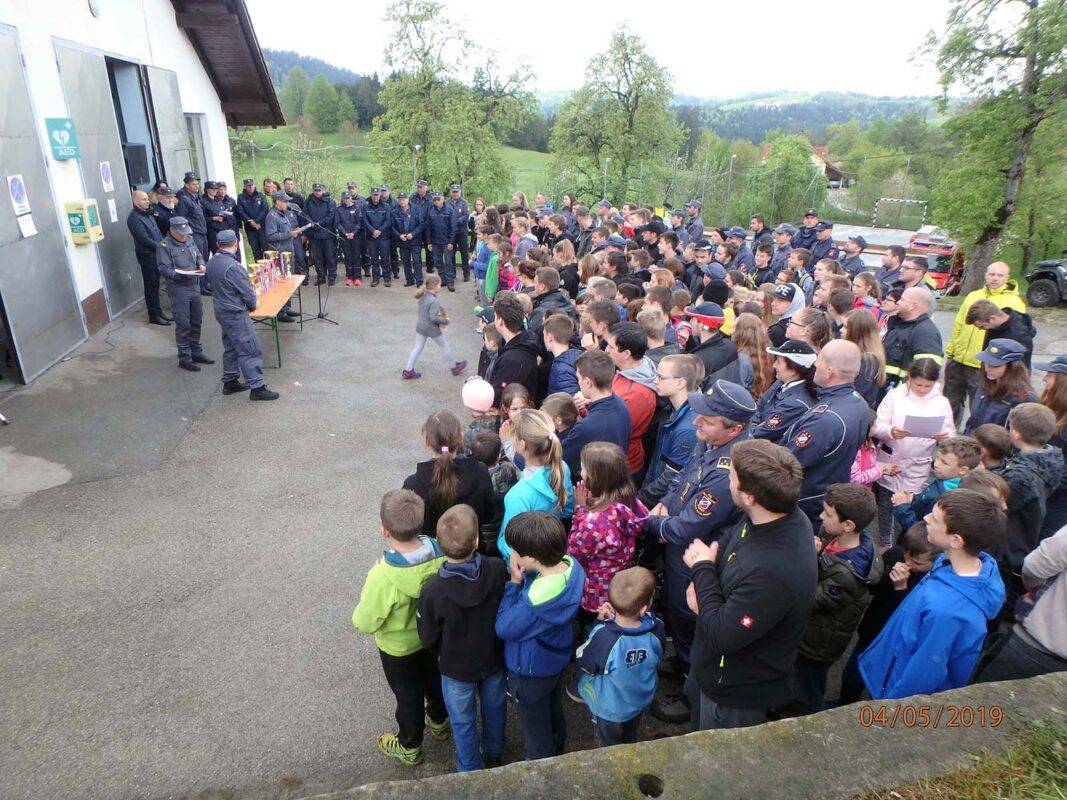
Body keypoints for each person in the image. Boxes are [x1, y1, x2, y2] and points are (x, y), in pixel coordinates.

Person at [683, 438, 817, 730]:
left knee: (713, 759)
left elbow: (722, 634)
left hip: (733, 691)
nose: (727, 481)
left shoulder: (773, 573)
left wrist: (702, 570)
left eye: (731, 477)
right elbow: (734, 536)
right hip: (711, 667)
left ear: (749, 497)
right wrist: (708, 582)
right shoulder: (777, 516)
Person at [645, 381, 757, 722]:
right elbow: (682, 482)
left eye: (707, 420)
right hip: (682, 544)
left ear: (734, 429)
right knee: (677, 615)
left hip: (696, 554)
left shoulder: (728, 471)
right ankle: (680, 659)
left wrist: (650, 521)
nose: (696, 423)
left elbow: (687, 527)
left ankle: (688, 689)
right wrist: (664, 504)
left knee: (690, 619)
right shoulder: (708, 441)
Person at [858, 489, 1006, 700]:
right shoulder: (956, 562)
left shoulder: (946, 612)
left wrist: (891, 709)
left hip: (895, 693)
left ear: (955, 540)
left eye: (935, 519)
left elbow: (922, 674)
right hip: (892, 664)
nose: (925, 518)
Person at [352, 489, 448, 766]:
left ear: (384, 530)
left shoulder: (381, 576)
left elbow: (364, 621)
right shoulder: (441, 552)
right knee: (434, 681)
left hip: (397, 649)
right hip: (430, 639)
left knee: (408, 697)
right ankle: (440, 722)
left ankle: (409, 745)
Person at [416, 504, 508, 772]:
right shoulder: (496, 569)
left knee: (462, 721)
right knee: (495, 709)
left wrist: (443, 652)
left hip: (455, 667)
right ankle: (494, 754)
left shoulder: (433, 590)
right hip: (492, 658)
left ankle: (468, 768)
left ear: (440, 547)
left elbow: (428, 636)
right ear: (477, 542)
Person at [495, 511, 584, 760]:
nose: (512, 555)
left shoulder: (535, 602)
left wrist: (514, 582)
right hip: (554, 661)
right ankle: (558, 749)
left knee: (535, 729)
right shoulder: (570, 566)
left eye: (515, 551)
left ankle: (541, 766)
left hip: (530, 672)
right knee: (554, 709)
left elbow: (503, 627)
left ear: (531, 558)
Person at [787, 483, 881, 716]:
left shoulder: (846, 575)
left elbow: (809, 597)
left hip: (817, 645)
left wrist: (809, 558)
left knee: (807, 687)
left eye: (828, 514)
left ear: (848, 525)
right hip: (811, 634)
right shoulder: (833, 535)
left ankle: (803, 718)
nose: (821, 516)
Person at [838, 522, 937, 705]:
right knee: (851, 677)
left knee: (885, 686)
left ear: (935, 561)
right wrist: (885, 577)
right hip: (872, 631)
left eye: (917, 562)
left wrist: (901, 589)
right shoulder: (895, 555)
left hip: (897, 644)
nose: (907, 563)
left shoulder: (932, 582)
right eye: (907, 555)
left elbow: (915, 617)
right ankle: (845, 704)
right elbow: (874, 587)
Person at [574, 567, 665, 746]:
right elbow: (659, 652)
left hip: (610, 708)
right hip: (638, 699)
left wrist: (599, 622)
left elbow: (584, 660)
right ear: (645, 608)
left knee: (608, 744)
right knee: (630, 736)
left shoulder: (604, 636)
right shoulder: (657, 628)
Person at [783, 340, 870, 526]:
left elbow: (787, 463)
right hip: (828, 491)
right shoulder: (858, 402)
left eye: (819, 360)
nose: (815, 364)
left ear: (830, 372)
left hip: (807, 503)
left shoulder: (826, 419)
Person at [871, 359, 957, 545]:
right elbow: (877, 425)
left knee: (912, 504)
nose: (923, 389)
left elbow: (951, 432)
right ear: (909, 378)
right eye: (919, 384)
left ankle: (906, 541)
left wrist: (943, 436)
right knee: (886, 503)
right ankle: (886, 539)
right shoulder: (894, 396)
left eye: (928, 385)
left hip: (920, 463)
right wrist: (891, 431)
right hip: (892, 457)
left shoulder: (941, 402)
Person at [567, 442, 650, 626]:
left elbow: (574, 553)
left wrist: (580, 510)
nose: (580, 471)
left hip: (595, 593)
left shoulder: (594, 521)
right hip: (618, 581)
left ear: (595, 476)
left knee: (594, 626)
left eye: (582, 468)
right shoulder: (628, 499)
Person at [974, 524, 1067, 683]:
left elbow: (1034, 568)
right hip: (1045, 649)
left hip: (1035, 646)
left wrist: (1034, 589)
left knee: (983, 702)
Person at [998, 403, 1064, 613]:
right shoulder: (1051, 456)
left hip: (1009, 544)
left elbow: (1001, 506)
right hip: (1025, 533)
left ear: (1015, 434)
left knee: (1001, 589)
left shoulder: (1021, 476)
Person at [944, 261, 1027, 425]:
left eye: (1000, 275)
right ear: (985, 275)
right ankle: (949, 435)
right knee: (950, 402)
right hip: (959, 359)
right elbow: (960, 323)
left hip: (982, 364)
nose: (995, 278)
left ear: (1007, 278)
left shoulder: (1014, 302)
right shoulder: (973, 296)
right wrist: (952, 350)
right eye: (992, 274)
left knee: (979, 406)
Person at [205, 230, 279, 401]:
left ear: (218, 245)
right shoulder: (234, 267)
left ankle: (230, 381)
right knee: (250, 348)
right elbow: (247, 293)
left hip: (221, 310)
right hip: (235, 312)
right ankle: (257, 387)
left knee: (230, 345)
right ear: (236, 243)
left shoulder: (212, 262)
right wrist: (253, 306)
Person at [496, 409, 574, 561]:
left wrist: (499, 542)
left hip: (528, 566)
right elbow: (568, 510)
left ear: (521, 444)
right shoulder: (562, 467)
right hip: (551, 549)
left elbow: (510, 545)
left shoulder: (517, 496)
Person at [403, 410, 494, 537]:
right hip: (470, 548)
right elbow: (490, 514)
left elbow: (408, 525)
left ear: (426, 441)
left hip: (430, 554)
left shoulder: (413, 484)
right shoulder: (480, 472)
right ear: (460, 438)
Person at [639, 354, 703, 507]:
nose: (655, 381)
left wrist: (640, 499)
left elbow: (669, 478)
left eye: (661, 377)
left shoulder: (688, 427)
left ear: (680, 383)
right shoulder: (672, 410)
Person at [156, 216, 214, 372]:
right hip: (179, 289)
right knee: (183, 324)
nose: (184, 236)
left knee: (196, 320)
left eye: (186, 232)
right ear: (172, 230)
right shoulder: (164, 246)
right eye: (181, 233)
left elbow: (199, 255)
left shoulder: (189, 239)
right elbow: (164, 269)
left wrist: (201, 264)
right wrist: (180, 274)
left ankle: (196, 352)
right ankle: (185, 357)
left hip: (194, 285)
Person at [563, 350, 632, 479]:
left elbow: (562, 460)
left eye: (578, 378)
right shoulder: (621, 404)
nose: (578, 382)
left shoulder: (585, 427)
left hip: (592, 488)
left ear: (588, 382)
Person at [891, 436, 980, 532]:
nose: (936, 464)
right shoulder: (946, 479)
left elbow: (923, 532)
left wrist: (902, 507)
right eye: (937, 457)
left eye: (944, 462)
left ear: (963, 470)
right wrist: (915, 499)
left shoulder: (943, 499)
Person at [605, 322, 658, 476]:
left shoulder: (638, 394)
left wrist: (587, 406)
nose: (606, 350)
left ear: (627, 353)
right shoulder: (625, 372)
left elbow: (615, 430)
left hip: (620, 465)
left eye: (611, 347)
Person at [964, 338, 1037, 433]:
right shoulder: (984, 385)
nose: (987, 368)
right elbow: (973, 422)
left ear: (1012, 367)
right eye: (986, 362)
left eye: (995, 365)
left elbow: (1024, 435)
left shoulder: (1024, 398)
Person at [881, 287, 944, 395]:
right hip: (886, 391)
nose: (898, 303)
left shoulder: (926, 333)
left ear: (913, 306)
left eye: (902, 299)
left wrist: (902, 393)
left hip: (901, 396)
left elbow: (926, 371)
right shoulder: (899, 324)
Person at [751, 341, 817, 443]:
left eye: (779, 361)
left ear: (793, 370)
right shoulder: (780, 382)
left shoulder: (796, 405)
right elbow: (759, 406)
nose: (774, 365)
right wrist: (756, 420)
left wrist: (752, 422)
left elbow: (758, 433)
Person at [403, 275, 466, 380]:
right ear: (436, 286)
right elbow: (433, 318)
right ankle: (454, 367)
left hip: (421, 326)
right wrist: (445, 320)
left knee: (417, 348)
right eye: (440, 284)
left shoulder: (423, 295)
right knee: (444, 346)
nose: (440, 286)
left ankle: (408, 370)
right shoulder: (433, 301)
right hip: (431, 328)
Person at [488, 295, 540, 405]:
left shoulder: (513, 360)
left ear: (500, 321)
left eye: (495, 316)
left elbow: (501, 394)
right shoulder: (526, 338)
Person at [127, 189, 168, 326]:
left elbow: (157, 232)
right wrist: (161, 247)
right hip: (147, 256)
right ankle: (153, 315)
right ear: (135, 201)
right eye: (144, 199)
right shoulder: (134, 218)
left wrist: (163, 243)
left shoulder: (148, 214)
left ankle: (159, 311)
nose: (147, 201)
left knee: (157, 284)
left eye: (147, 199)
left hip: (156, 253)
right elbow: (144, 239)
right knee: (151, 285)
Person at [1036, 355, 1067, 538]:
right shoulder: (1049, 406)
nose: (1044, 378)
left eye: (1050, 374)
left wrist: (1039, 477)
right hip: (1043, 499)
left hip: (1056, 507)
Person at [262, 191, 301, 324]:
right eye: (285, 201)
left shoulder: (282, 214)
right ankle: (281, 312)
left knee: (288, 281)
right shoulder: (272, 216)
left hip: (288, 252)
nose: (287, 203)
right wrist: (289, 234)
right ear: (277, 201)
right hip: (279, 253)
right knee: (282, 283)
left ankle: (287, 307)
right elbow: (270, 236)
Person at [683, 302, 742, 387]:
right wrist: (688, 344)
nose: (691, 321)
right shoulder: (729, 346)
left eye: (694, 318)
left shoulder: (698, 360)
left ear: (702, 325)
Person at [965, 299, 1036, 367]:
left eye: (982, 326)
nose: (980, 329)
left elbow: (1021, 370)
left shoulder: (1019, 336)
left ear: (992, 319)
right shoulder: (995, 327)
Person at [842, 309, 887, 408]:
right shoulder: (859, 353)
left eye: (845, 327)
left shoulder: (868, 360)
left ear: (857, 331)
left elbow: (857, 392)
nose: (841, 330)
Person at [175, 172, 209, 293]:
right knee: (197, 261)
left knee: (204, 259)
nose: (197, 186)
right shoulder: (184, 198)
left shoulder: (195, 196)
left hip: (202, 232)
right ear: (187, 185)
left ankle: (205, 284)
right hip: (195, 233)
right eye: (194, 184)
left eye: (197, 184)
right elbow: (182, 218)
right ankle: (200, 287)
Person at [362, 187, 394, 287]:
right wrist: (373, 231)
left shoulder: (386, 206)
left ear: (380, 195)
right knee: (374, 259)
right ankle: (375, 279)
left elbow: (388, 221)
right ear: (371, 195)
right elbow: (364, 221)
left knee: (385, 259)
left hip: (384, 237)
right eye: (373, 195)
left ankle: (387, 278)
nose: (375, 197)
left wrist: (379, 230)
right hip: (371, 238)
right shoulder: (365, 206)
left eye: (377, 195)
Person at [544, 314, 580, 396]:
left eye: (544, 334)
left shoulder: (561, 369)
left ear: (550, 337)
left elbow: (570, 403)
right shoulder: (577, 355)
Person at [426, 193, 456, 291]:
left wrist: (451, 242)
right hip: (435, 242)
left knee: (448, 262)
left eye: (438, 199)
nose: (437, 201)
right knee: (437, 261)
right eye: (435, 199)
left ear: (443, 199)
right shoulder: (431, 211)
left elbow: (453, 227)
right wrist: (429, 242)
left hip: (446, 241)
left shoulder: (450, 210)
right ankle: (443, 279)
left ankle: (450, 281)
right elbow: (428, 228)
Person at [336, 191, 365, 287]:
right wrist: (345, 233)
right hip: (344, 237)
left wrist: (353, 232)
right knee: (347, 256)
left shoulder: (356, 208)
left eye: (348, 197)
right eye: (344, 198)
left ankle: (357, 277)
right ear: (342, 199)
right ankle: (349, 277)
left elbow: (359, 223)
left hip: (356, 236)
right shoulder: (339, 209)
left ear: (350, 198)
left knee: (356, 256)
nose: (346, 199)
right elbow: (338, 223)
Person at [446, 185, 471, 282]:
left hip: (461, 232)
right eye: (453, 192)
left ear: (460, 192)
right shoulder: (447, 203)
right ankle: (452, 273)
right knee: (451, 253)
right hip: (451, 233)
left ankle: (466, 274)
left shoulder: (464, 203)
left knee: (464, 253)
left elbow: (465, 215)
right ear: (451, 192)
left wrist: (455, 221)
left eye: (457, 192)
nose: (455, 193)